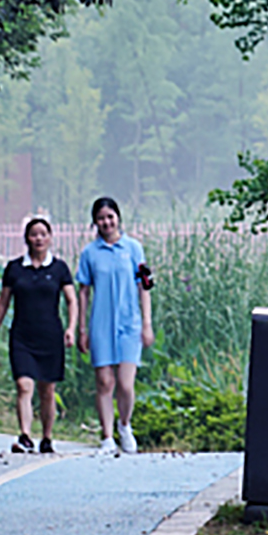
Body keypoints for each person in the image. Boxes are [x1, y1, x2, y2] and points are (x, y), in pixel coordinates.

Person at [0, 212, 78, 453]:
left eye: (43, 234)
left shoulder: (59, 268)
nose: (38, 239)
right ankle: (25, 435)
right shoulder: (15, 269)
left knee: (47, 390)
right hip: (22, 336)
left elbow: (71, 299)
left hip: (50, 336)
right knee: (24, 385)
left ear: (50, 238)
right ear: (26, 239)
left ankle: (46, 437)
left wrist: (71, 328)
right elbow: (3, 302)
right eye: (33, 234)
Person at [72, 195, 153, 454]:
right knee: (104, 382)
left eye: (110, 217)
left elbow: (145, 287)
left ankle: (124, 425)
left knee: (126, 384)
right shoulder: (90, 253)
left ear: (118, 217)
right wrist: (81, 329)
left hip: (129, 322)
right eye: (101, 219)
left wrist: (147, 324)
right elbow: (83, 291)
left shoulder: (133, 248)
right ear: (95, 222)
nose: (106, 222)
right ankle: (106, 437)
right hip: (101, 324)